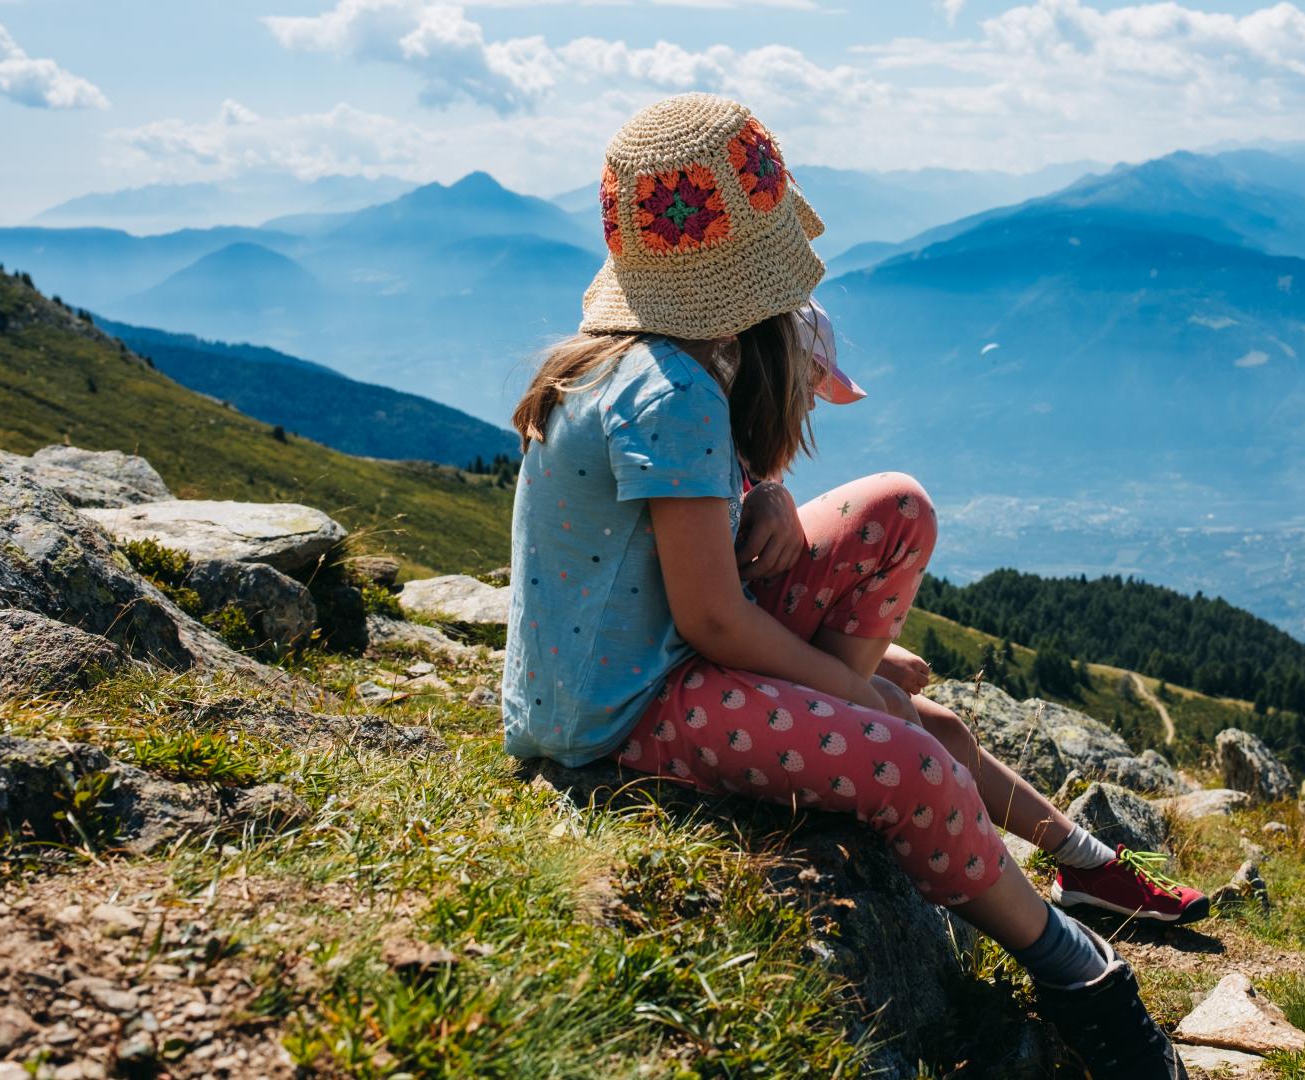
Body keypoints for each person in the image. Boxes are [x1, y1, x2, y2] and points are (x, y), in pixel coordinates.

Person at [503, 92, 1190, 1079]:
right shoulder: (670, 392)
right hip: (616, 709)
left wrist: (769, 492)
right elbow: (709, 614)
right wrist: (853, 693)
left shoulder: (673, 354)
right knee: (917, 752)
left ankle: (1090, 862)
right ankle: (1073, 960)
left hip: (662, 646)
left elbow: (705, 518)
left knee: (898, 520)